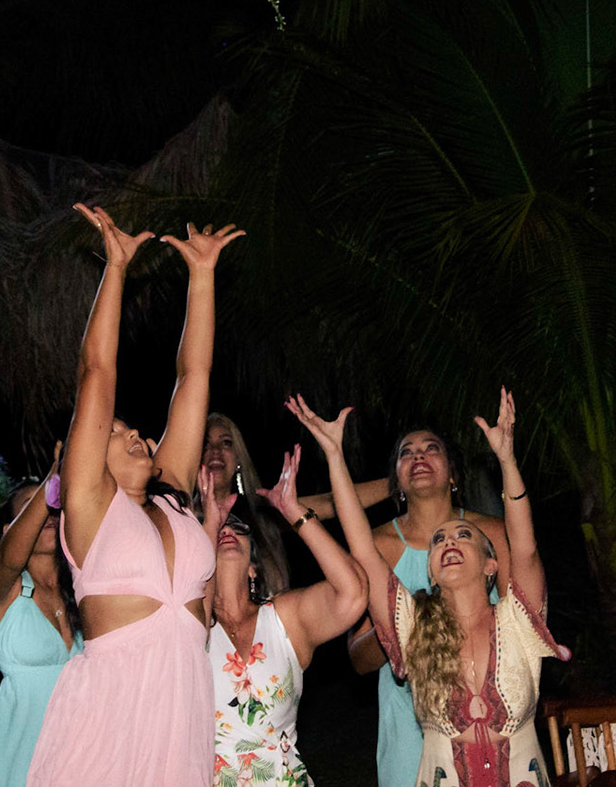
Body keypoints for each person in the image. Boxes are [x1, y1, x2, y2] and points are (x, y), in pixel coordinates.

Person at [25, 204, 242, 787]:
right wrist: (116, 266)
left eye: (136, 431)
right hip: (109, 722)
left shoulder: (171, 499)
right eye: (116, 435)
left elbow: (193, 377)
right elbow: (97, 370)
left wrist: (201, 276)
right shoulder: (91, 507)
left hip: (183, 718)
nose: (137, 436)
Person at [293, 387, 568, 787]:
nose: (449, 543)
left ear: (491, 562)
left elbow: (525, 548)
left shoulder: (517, 620)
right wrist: (335, 456)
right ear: (430, 572)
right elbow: (363, 550)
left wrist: (507, 459)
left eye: (462, 536)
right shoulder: (415, 626)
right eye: (438, 542)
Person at [315, 424, 510, 787]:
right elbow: (359, 658)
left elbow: (526, 619)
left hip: (493, 712)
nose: (418, 456)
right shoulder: (377, 545)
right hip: (408, 720)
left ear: (453, 473)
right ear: (397, 483)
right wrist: (401, 624)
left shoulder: (494, 533)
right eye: (407, 452)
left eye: (431, 448)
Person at [208, 445, 367, 786]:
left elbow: (352, 594)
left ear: (254, 567)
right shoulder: (185, 629)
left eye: (237, 527)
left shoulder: (283, 617)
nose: (227, 530)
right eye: (217, 526)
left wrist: (294, 511)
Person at [0, 467, 80, 787]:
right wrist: (54, 477)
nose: (48, 508)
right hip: (21, 754)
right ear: (10, 529)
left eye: (54, 502)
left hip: (83, 750)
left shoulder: (82, 587)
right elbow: (7, 560)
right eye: (33, 504)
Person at [202, 414, 291, 596]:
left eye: (226, 443)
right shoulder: (178, 516)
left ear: (238, 459)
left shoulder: (261, 511)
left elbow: (330, 504)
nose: (215, 450)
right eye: (205, 444)